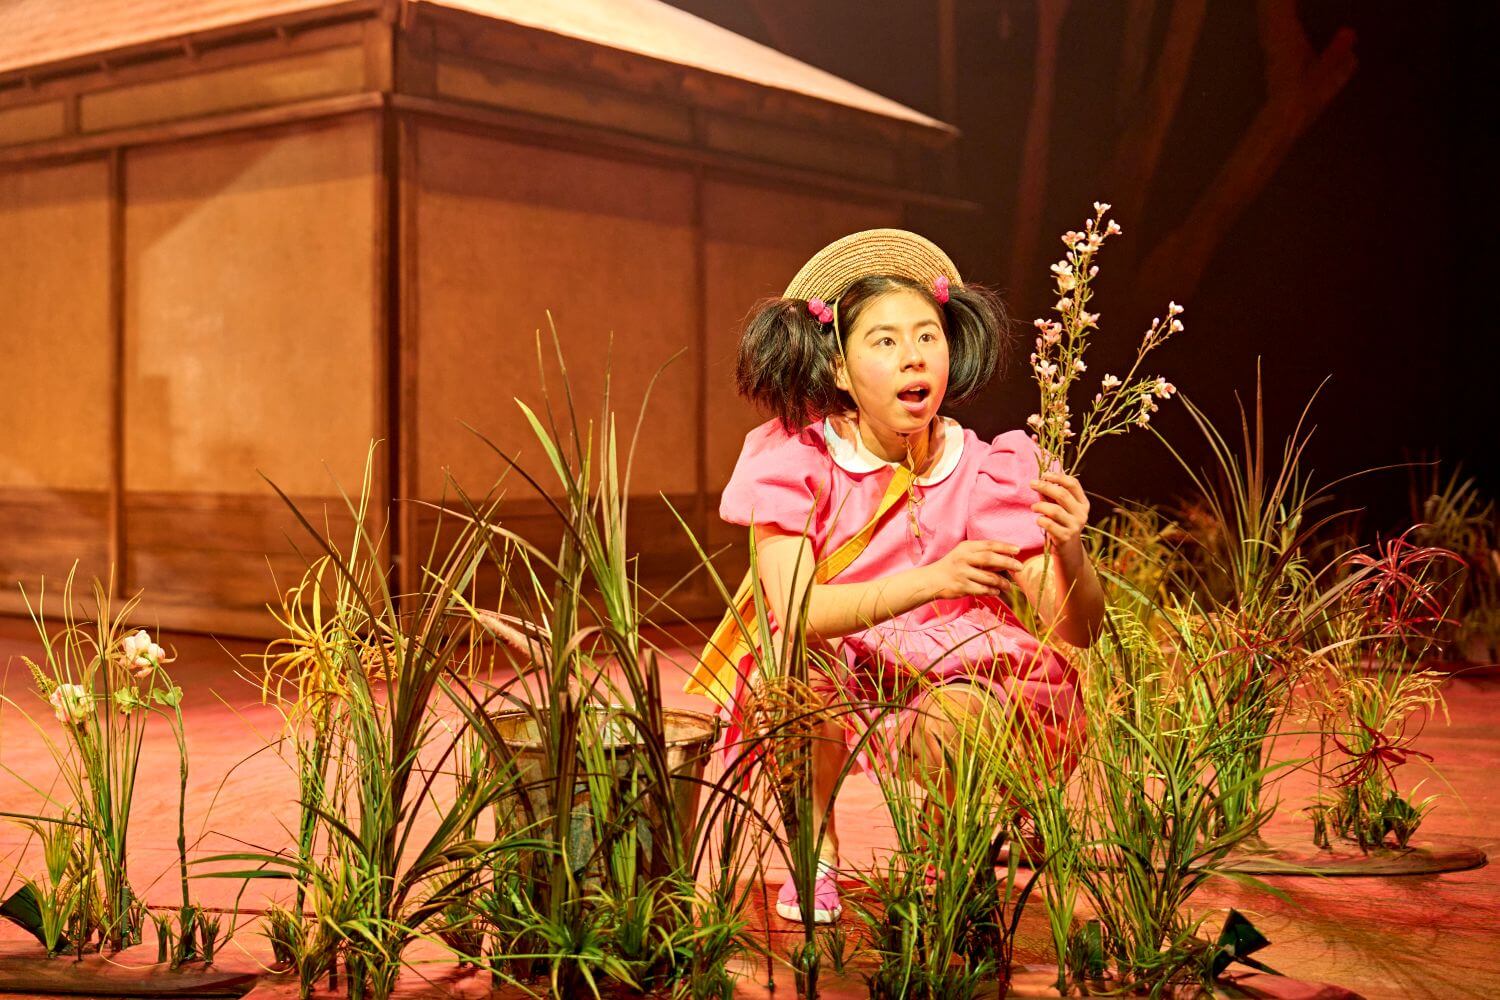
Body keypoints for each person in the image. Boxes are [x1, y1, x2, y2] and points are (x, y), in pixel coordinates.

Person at [685, 229, 1106, 924]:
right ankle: (814, 853)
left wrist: (1070, 550)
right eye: (884, 341)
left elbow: (1077, 630)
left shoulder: (990, 468)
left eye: (926, 336)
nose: (913, 355)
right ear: (840, 369)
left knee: (958, 720)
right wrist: (935, 579)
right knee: (791, 683)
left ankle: (953, 852)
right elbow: (797, 610)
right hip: (838, 651)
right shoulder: (794, 458)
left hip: (951, 664)